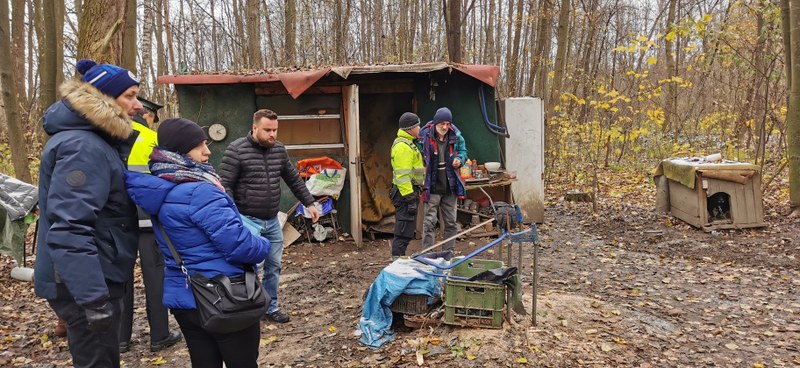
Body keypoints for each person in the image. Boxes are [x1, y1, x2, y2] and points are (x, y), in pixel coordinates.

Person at [125, 118, 270, 368]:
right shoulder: (200, 191)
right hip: (226, 296)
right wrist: (264, 244)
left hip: (185, 297)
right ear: (180, 152)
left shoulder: (159, 188)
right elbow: (240, 246)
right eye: (199, 145)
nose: (207, 151)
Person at [35, 59, 143, 367]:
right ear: (103, 98)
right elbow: (70, 227)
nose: (136, 105)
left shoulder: (95, 141)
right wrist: (93, 299)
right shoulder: (83, 147)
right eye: (130, 96)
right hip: (86, 283)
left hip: (94, 274)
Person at [219, 108, 320, 324]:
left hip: (272, 220)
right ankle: (250, 307)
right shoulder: (236, 150)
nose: (272, 134)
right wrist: (232, 217)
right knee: (249, 267)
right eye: (267, 130)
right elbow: (225, 185)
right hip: (246, 219)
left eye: (275, 130)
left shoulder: (279, 150)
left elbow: (293, 179)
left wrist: (309, 202)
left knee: (274, 266)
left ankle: (270, 307)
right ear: (254, 128)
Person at [119, 97, 182, 353]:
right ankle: (160, 335)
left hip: (118, 222)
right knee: (155, 276)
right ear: (148, 116)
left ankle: (120, 339)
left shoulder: (108, 135)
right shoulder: (151, 139)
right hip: (149, 220)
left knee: (120, 278)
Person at [418, 107, 468, 252]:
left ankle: (448, 253)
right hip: (431, 187)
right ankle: (427, 254)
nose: (445, 127)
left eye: (448, 124)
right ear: (435, 123)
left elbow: (464, 151)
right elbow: (417, 155)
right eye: (442, 124)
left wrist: (460, 159)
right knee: (429, 223)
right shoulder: (424, 135)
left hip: (450, 187)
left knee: (451, 223)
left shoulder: (456, 135)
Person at [389, 112, 425, 258]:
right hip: (405, 194)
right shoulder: (403, 147)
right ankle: (397, 263)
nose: (420, 128)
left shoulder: (409, 143)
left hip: (409, 192)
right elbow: (402, 175)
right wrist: (410, 198)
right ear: (410, 128)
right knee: (403, 232)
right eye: (417, 125)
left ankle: (400, 261)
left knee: (406, 231)